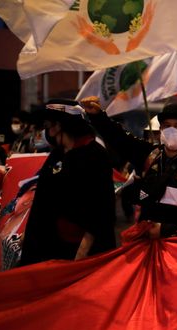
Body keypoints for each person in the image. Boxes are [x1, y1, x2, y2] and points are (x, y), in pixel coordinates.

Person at [80, 98, 177, 238]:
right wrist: (97, 116)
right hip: (147, 245)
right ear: (160, 130)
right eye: (167, 126)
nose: (172, 131)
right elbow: (120, 139)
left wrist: (166, 231)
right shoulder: (150, 155)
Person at [19, 99, 116, 265]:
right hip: (48, 247)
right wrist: (30, 234)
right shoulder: (56, 155)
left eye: (49, 125)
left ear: (60, 125)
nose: (47, 131)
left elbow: (102, 209)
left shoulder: (95, 155)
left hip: (78, 252)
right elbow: (43, 198)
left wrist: (83, 252)